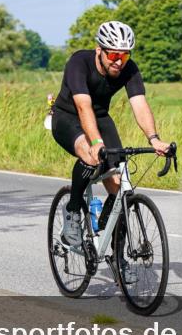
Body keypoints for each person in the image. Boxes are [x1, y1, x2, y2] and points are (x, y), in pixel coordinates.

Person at [50, 21, 171, 248]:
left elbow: (140, 104)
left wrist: (154, 138)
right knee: (89, 154)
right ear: (100, 50)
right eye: (114, 55)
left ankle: (114, 249)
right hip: (67, 117)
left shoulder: (129, 69)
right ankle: (73, 212)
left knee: (120, 183)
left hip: (100, 117)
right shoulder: (79, 62)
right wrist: (95, 143)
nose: (118, 62)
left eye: (124, 56)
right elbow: (83, 106)